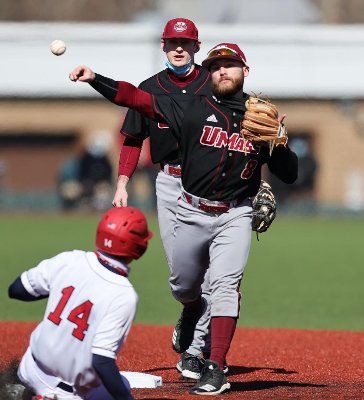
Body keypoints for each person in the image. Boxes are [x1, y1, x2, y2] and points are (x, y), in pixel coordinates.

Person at [69, 42, 298, 395]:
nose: (223, 70)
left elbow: (290, 174)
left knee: (224, 288)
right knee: (184, 285)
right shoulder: (189, 107)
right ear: (208, 72)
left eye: (230, 65)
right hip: (191, 209)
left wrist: (280, 144)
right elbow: (136, 98)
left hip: (235, 213)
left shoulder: (260, 119)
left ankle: (216, 367)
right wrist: (95, 79)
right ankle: (191, 310)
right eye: (216, 66)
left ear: (245, 71)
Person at [114, 18, 214, 380]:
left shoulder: (212, 85)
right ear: (163, 45)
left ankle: (195, 351)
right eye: (173, 41)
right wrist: (122, 182)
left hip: (210, 184)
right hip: (170, 184)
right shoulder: (150, 89)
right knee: (181, 275)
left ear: (196, 47)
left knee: (212, 274)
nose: (179, 48)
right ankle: (190, 310)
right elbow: (132, 138)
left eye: (185, 43)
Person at [8, 207, 153, 399]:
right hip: (68, 390)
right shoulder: (124, 294)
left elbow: (16, 290)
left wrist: (62, 292)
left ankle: (23, 389)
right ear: (138, 248)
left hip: (30, 369)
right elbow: (101, 361)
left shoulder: (70, 259)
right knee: (122, 387)